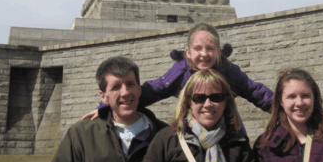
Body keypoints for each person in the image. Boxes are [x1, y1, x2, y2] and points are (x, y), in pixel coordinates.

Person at [83, 23, 273, 121]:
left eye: (210, 49)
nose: (204, 55)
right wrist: (106, 108)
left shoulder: (229, 70)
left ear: (219, 51)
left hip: (228, 132)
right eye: (198, 49)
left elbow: (255, 91)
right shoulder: (180, 70)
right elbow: (152, 90)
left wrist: (282, 108)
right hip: (189, 132)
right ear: (188, 53)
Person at [44, 56, 167, 162]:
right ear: (103, 96)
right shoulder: (81, 135)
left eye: (130, 84)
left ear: (139, 90)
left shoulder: (165, 136)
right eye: (116, 87)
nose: (125, 92)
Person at [139, 69, 257, 162]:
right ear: (188, 102)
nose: (208, 104)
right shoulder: (166, 140)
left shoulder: (238, 143)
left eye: (216, 97)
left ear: (225, 102)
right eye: (199, 98)